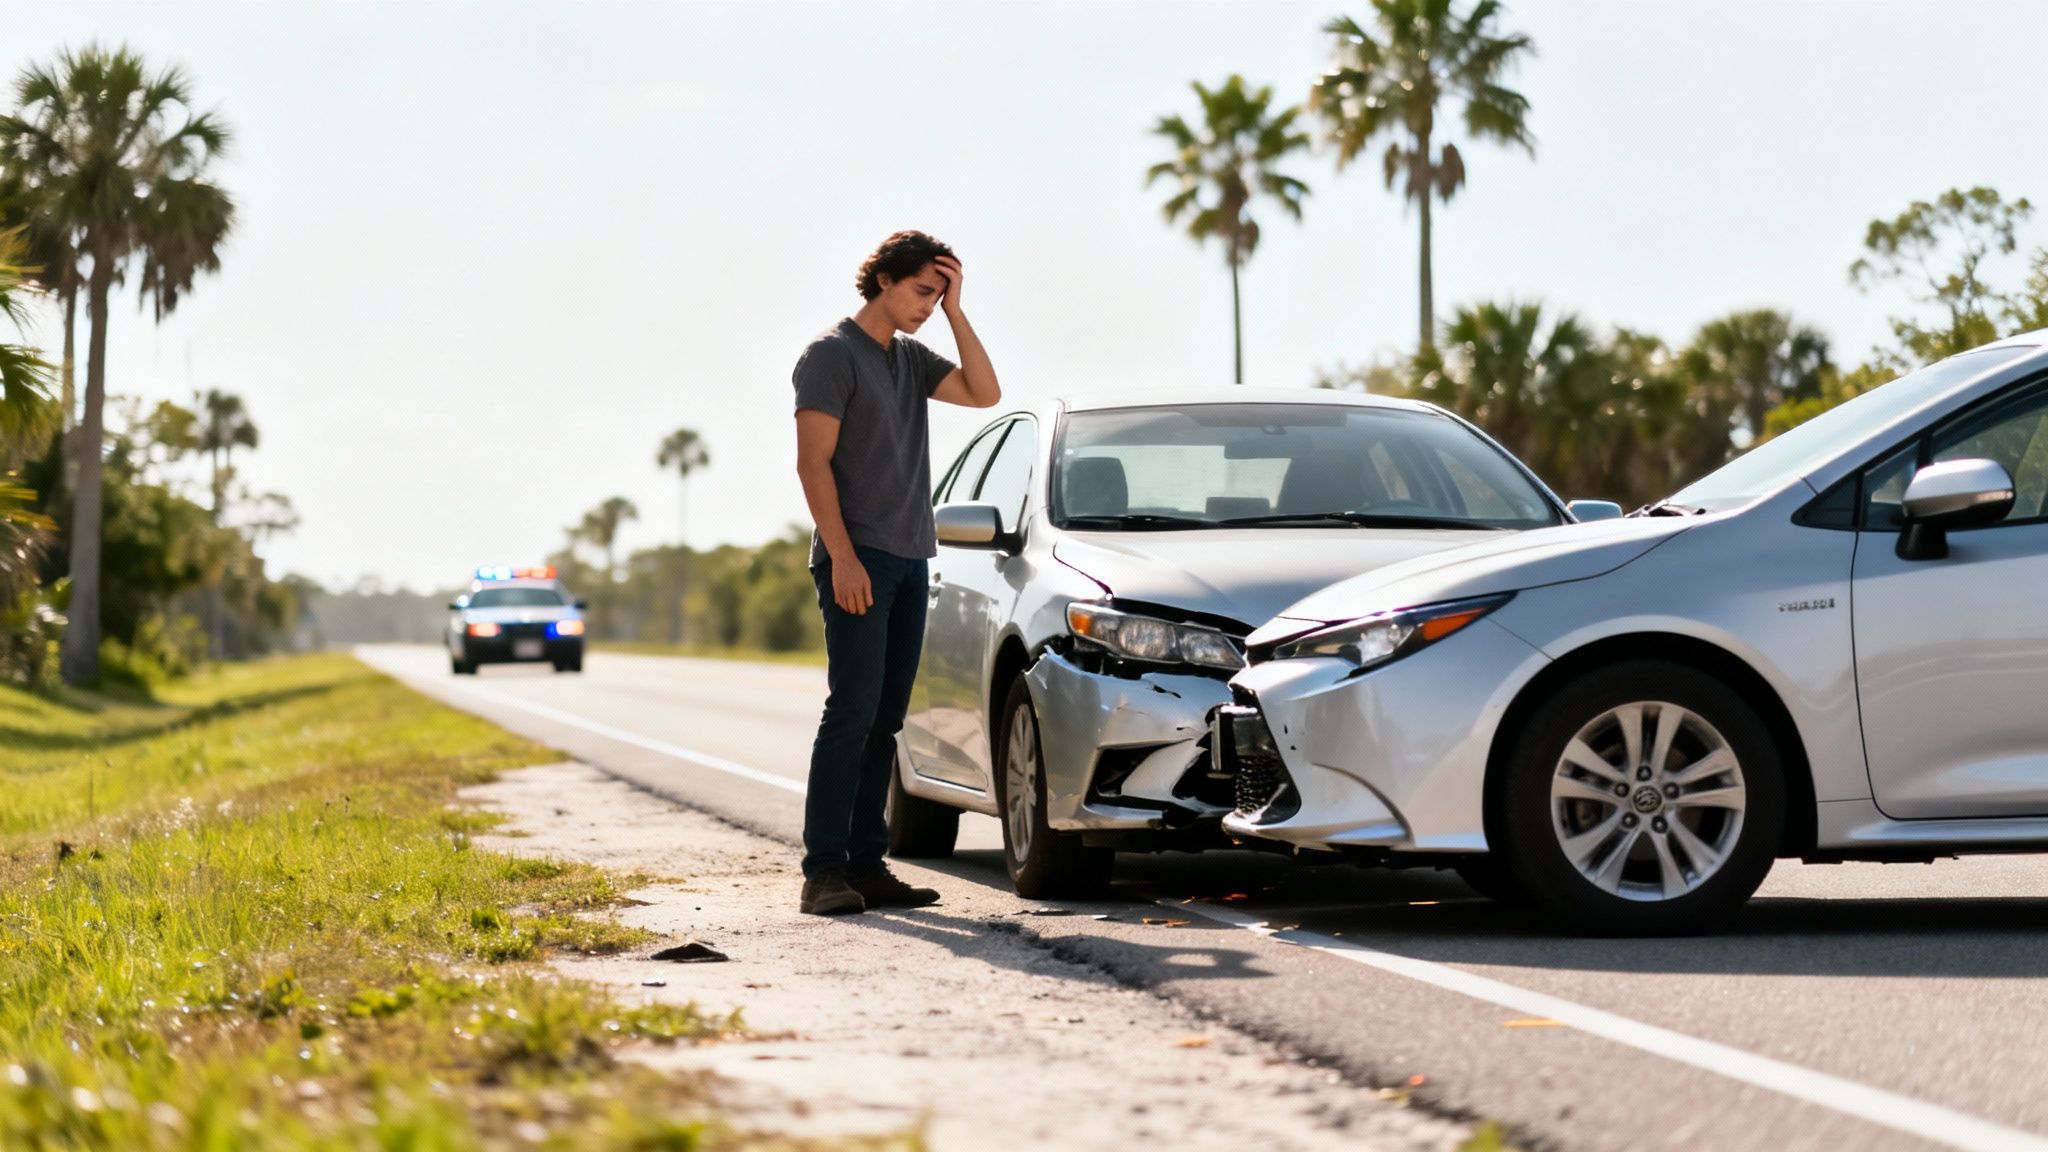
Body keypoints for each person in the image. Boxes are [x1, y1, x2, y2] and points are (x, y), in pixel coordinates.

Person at [791, 230, 1001, 915]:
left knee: (885, 720)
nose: (927, 306)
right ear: (883, 279)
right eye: (921, 291)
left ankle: (866, 866)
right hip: (860, 558)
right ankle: (823, 872)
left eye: (937, 295)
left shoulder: (910, 360)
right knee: (849, 713)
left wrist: (959, 312)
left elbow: (983, 393)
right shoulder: (829, 355)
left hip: (912, 557)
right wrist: (844, 557)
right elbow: (812, 463)